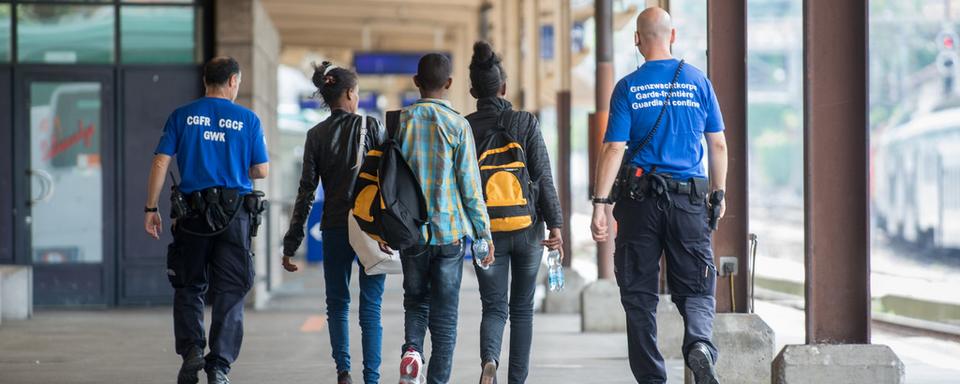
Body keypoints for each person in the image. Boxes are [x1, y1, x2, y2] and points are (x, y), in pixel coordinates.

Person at [589, 7, 727, 384]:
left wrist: (600, 205)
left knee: (639, 295)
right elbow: (717, 144)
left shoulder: (628, 87)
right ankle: (699, 344)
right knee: (697, 288)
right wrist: (719, 192)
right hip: (689, 200)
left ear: (636, 40)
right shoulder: (699, 82)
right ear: (673, 35)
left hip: (639, 204)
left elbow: (614, 149)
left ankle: (652, 377)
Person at [144, 56, 269, 384]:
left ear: (205, 81)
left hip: (191, 216)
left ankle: (192, 352)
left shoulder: (182, 116)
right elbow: (261, 170)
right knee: (231, 290)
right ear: (232, 81)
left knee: (189, 285)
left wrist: (151, 208)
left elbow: (161, 162)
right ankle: (220, 367)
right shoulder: (248, 119)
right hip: (234, 217)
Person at [280, 62, 387, 384]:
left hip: (335, 226)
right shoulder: (373, 126)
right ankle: (372, 377)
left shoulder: (316, 135)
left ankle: (343, 371)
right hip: (370, 228)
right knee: (371, 308)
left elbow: (306, 192)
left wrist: (291, 243)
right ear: (351, 94)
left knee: (338, 303)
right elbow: (390, 181)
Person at [464, 41, 564, 384]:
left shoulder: (465, 127)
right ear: (503, 88)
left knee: (493, 306)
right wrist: (556, 227)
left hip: (485, 231)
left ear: (473, 91)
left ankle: (489, 361)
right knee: (522, 310)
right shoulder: (524, 121)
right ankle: (516, 379)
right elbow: (542, 175)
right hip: (528, 229)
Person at [396, 53, 495, 384]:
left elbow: (388, 181)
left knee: (415, 301)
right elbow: (470, 187)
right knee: (445, 317)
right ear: (450, 84)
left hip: (410, 232)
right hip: (450, 234)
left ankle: (412, 351)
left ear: (416, 82)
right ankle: (437, 380)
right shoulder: (458, 125)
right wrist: (484, 234)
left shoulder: (399, 123)